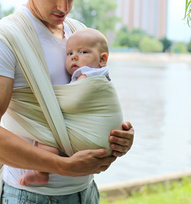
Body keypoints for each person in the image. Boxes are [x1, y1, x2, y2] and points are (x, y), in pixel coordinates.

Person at [0, 0, 134, 203]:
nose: (63, 7)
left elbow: (94, 98)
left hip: (86, 192)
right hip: (31, 196)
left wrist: (120, 136)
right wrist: (63, 166)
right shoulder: (3, 40)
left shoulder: (79, 34)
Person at [19, 27, 120, 186]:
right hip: (103, 143)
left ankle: (42, 172)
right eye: (70, 53)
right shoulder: (98, 75)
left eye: (83, 52)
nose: (74, 58)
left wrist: (43, 101)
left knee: (46, 134)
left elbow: (73, 99)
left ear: (102, 59)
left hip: (92, 139)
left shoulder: (89, 74)